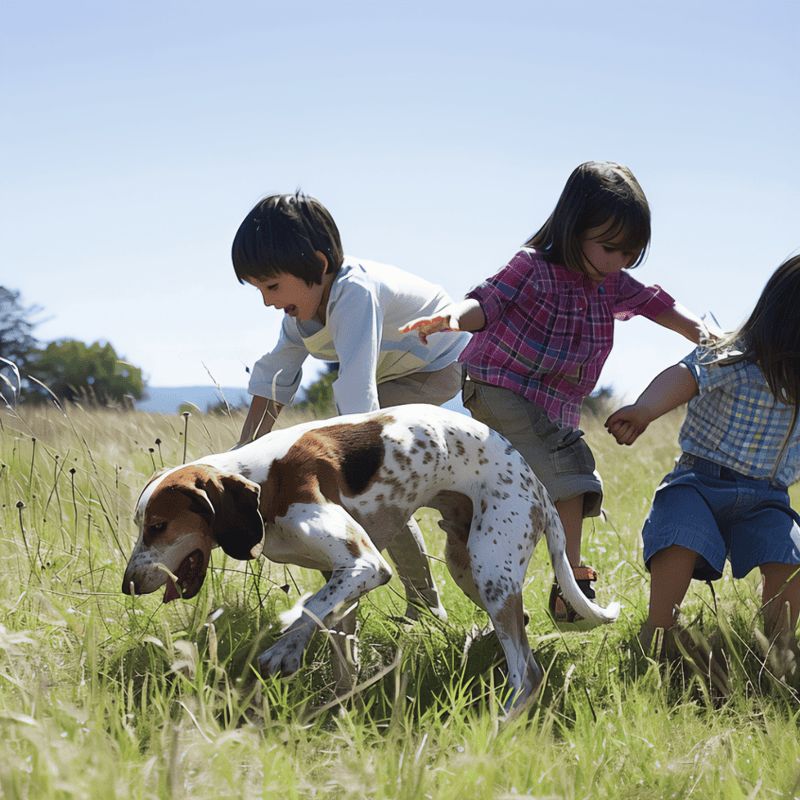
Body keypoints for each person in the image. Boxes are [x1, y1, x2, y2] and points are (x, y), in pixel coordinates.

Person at [402, 161, 709, 628]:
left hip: (552, 409)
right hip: (499, 388)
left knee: (518, 502)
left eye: (628, 255)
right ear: (573, 227)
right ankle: (570, 587)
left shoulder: (610, 282)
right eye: (608, 249)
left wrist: (706, 335)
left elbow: (656, 303)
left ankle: (505, 603)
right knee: (571, 468)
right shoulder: (533, 267)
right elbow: (486, 303)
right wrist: (449, 320)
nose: (617, 264)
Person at [231, 190, 470, 621]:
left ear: (319, 266)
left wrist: (350, 476)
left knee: (372, 487)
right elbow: (275, 378)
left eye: (271, 285)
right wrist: (243, 452)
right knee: (368, 488)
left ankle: (418, 605)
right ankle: (422, 604)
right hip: (394, 372)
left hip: (440, 363)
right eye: (258, 290)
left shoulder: (354, 292)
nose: (267, 300)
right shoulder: (298, 316)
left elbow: (359, 395)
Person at [606, 254, 800, 659]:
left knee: (791, 555)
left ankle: (779, 648)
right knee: (679, 535)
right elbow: (687, 375)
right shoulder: (738, 354)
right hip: (699, 483)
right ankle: (660, 634)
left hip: (767, 498)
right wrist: (644, 410)